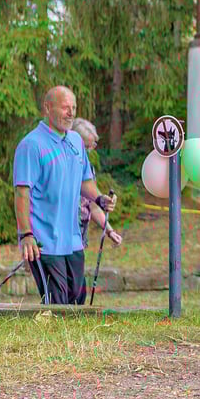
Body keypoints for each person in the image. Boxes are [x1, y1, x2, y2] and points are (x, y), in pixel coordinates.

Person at [13, 86, 117, 305]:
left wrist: (100, 199)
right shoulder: (31, 145)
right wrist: (26, 234)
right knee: (57, 302)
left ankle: (63, 330)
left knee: (77, 298)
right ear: (47, 108)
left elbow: (85, 181)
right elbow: (22, 193)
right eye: (65, 108)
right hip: (44, 241)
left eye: (74, 108)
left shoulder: (76, 141)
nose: (71, 113)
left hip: (73, 240)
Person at [70, 118, 123, 304]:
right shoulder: (62, 165)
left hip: (79, 236)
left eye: (92, 147)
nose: (89, 151)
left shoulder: (87, 169)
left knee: (78, 289)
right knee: (67, 289)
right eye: (86, 147)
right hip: (61, 234)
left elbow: (92, 204)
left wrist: (109, 231)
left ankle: (74, 318)